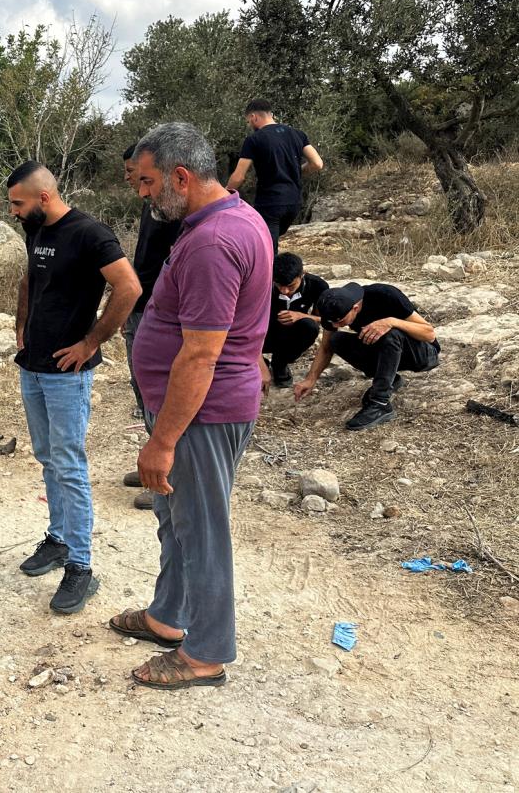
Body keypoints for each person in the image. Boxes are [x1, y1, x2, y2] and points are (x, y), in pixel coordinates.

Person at [107, 122, 271, 690]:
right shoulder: (231, 218)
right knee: (174, 522)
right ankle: (167, 617)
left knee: (200, 530)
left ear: (181, 175)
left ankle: (205, 653)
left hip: (202, 413)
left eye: (149, 181)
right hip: (199, 407)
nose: (143, 193)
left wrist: (163, 440)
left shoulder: (211, 240)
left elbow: (201, 354)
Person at [8, 161, 141, 615]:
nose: (14, 212)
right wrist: (21, 325)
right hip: (34, 365)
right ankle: (59, 539)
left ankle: (81, 568)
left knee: (69, 465)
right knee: (48, 458)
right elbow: (30, 277)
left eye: (18, 203)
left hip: (68, 373)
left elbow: (129, 287)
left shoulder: (90, 233)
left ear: (44, 197)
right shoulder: (36, 227)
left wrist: (91, 342)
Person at [121, 144, 182, 510]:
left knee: (158, 392)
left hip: (155, 310)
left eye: (137, 173)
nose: (132, 181)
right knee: (140, 388)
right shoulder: (151, 205)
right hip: (138, 303)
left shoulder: (171, 209)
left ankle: (165, 473)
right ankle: (151, 462)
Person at [294, 282, 440, 431]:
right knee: (335, 340)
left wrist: (390, 322)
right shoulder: (334, 307)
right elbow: (325, 348)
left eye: (341, 322)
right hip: (389, 354)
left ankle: (380, 403)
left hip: (423, 354)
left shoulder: (385, 294)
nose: (337, 326)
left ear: (355, 308)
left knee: (391, 334)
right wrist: (310, 379)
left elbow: (428, 333)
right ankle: (390, 379)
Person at [226, 99, 324, 253]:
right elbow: (317, 163)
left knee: (268, 252)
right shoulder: (298, 134)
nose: (249, 125)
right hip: (294, 202)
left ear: (253, 117)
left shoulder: (254, 140)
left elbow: (239, 177)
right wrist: (295, 172)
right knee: (272, 244)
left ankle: (272, 276)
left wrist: (224, 193)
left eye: (248, 121)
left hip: (270, 203)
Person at [263, 252, 328, 388]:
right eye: (279, 285)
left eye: (291, 286)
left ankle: (280, 363)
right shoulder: (262, 284)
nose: (284, 291)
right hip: (264, 333)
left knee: (310, 326)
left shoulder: (318, 286)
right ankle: (257, 361)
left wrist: (302, 316)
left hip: (292, 334)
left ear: (302, 274)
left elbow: (326, 319)